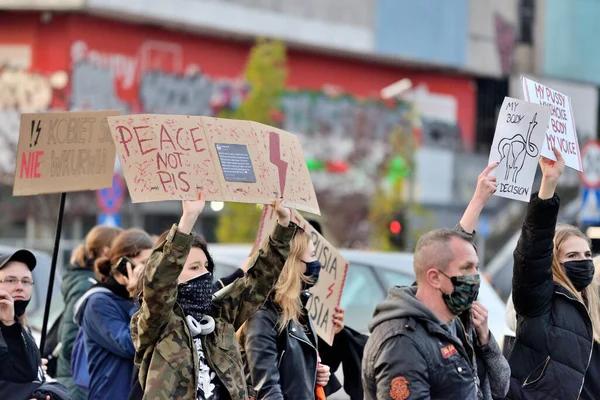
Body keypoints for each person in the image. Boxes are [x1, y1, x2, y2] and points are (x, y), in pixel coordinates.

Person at [130, 192, 302, 399]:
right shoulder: (154, 323)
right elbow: (159, 284)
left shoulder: (220, 315)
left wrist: (283, 225)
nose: (204, 274)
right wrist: (189, 219)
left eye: (206, 267)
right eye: (194, 267)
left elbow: (258, 281)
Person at [362, 163, 509, 400]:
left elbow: (499, 387)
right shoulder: (402, 343)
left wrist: (479, 200)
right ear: (434, 278)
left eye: (476, 268)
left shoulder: (452, 322)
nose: (474, 277)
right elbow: (444, 253)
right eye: (466, 269)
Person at [508, 148, 600, 399]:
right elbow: (532, 253)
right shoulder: (539, 299)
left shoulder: (592, 305)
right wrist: (549, 183)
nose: (583, 262)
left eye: (586, 256)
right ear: (554, 263)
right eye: (572, 256)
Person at [238, 218, 332, 399]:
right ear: (292, 263)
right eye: (312, 256)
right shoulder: (262, 316)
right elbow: (267, 389)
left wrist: (313, 371)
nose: (316, 263)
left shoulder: (295, 309)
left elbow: (291, 372)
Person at [73, 229, 154, 400]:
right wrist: (136, 298)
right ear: (123, 264)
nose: (149, 270)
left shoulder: (139, 298)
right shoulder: (98, 302)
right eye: (144, 263)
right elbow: (132, 344)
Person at [57, 225, 122, 400]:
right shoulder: (86, 285)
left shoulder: (90, 281)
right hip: (78, 383)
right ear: (106, 251)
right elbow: (70, 340)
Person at [0, 249, 70, 400]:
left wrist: (43, 393)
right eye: (10, 280)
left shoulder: (21, 327)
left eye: (25, 281)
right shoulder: (11, 327)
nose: (20, 287)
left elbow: (39, 380)